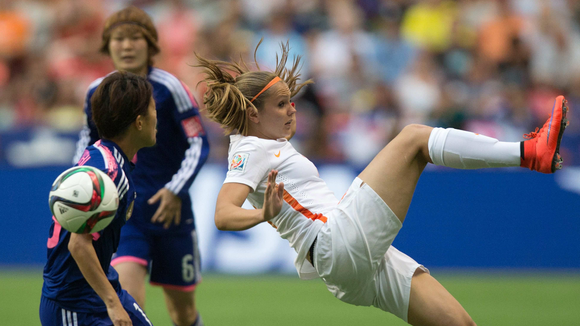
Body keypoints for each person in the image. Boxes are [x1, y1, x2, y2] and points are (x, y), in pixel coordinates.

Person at [195, 43, 569, 326]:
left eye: (291, 102)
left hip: (351, 264)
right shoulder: (251, 149)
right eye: (281, 105)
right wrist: (263, 213)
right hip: (336, 243)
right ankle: (531, 151)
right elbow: (223, 214)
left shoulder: (267, 144)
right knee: (413, 138)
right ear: (253, 114)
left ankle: (533, 152)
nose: (292, 109)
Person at [73, 7, 209, 326]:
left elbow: (199, 142)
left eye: (135, 37)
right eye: (119, 39)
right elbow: (86, 144)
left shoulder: (170, 88)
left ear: (150, 45)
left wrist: (175, 190)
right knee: (129, 306)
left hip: (171, 212)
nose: (127, 45)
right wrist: (79, 183)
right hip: (125, 215)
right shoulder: (97, 92)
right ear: (108, 46)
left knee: (183, 313)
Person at [40, 71, 156, 326]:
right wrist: (112, 304)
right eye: (152, 109)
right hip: (74, 304)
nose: (156, 118)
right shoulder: (108, 173)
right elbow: (78, 245)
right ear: (139, 122)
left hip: (100, 288)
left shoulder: (103, 156)